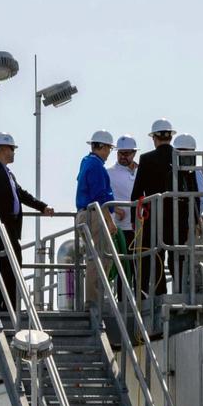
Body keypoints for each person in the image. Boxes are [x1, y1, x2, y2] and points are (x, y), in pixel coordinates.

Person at [0, 132, 54, 313]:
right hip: (1, 224)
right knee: (6, 262)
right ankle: (0, 305)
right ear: (3, 149)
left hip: (10, 225)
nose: (14, 152)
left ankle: (6, 304)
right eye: (12, 149)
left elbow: (22, 195)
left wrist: (42, 207)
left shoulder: (8, 174)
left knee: (9, 263)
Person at [131, 118, 197, 297]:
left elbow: (137, 194)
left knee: (156, 257)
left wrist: (133, 221)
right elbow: (193, 192)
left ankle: (159, 294)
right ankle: (181, 292)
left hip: (154, 219)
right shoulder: (181, 156)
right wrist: (196, 220)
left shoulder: (146, 159)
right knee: (178, 256)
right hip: (180, 217)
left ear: (154, 138)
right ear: (170, 136)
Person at [75, 130, 117, 307]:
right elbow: (99, 196)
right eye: (108, 148)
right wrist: (109, 220)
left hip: (86, 213)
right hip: (94, 215)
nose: (108, 152)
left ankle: (94, 298)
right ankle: (94, 301)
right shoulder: (96, 166)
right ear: (102, 147)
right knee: (99, 258)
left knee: (96, 257)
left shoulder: (87, 162)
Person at [107, 134, 138, 249]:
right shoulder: (108, 173)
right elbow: (99, 196)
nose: (123, 156)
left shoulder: (141, 171)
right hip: (119, 228)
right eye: (120, 153)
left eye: (127, 153)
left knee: (136, 264)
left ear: (134, 153)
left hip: (139, 228)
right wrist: (114, 208)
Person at [173, 132, 203, 223]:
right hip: (191, 223)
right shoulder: (197, 172)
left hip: (173, 223)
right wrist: (193, 220)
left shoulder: (171, 172)